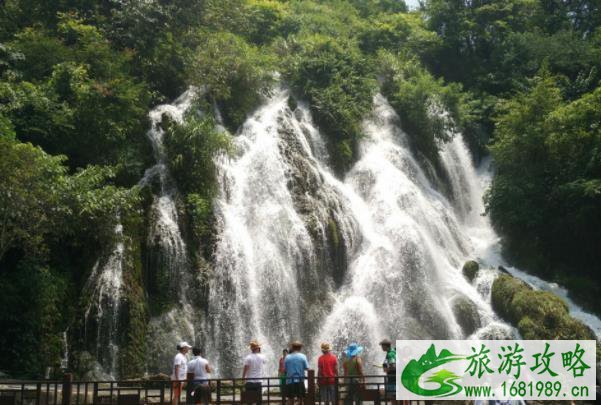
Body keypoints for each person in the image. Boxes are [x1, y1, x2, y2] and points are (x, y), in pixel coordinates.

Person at [379, 339, 397, 403]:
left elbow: (394, 366)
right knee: (395, 396)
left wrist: (386, 369)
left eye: (382, 346)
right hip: (393, 378)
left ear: (385, 346)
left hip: (393, 379)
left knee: (393, 396)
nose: (381, 347)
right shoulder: (392, 352)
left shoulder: (390, 354)